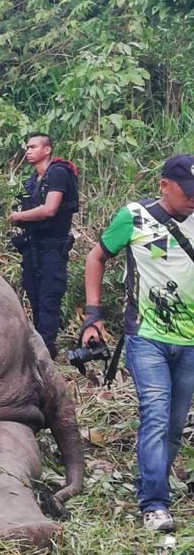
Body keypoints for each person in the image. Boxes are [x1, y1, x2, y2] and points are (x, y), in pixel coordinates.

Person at [80, 155, 194, 534]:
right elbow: (96, 257)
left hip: (191, 343)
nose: (193, 200)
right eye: (188, 193)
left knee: (175, 426)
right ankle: (155, 504)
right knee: (157, 415)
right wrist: (92, 314)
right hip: (147, 338)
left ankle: (150, 483)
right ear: (164, 185)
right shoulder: (134, 216)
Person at [8, 133, 79, 359]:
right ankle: (39, 346)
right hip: (34, 247)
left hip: (52, 248)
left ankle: (46, 350)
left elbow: (50, 209)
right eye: (27, 147)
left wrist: (18, 216)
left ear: (47, 149)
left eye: (33, 147)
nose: (28, 151)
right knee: (34, 295)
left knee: (49, 298)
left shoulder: (57, 173)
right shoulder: (33, 180)